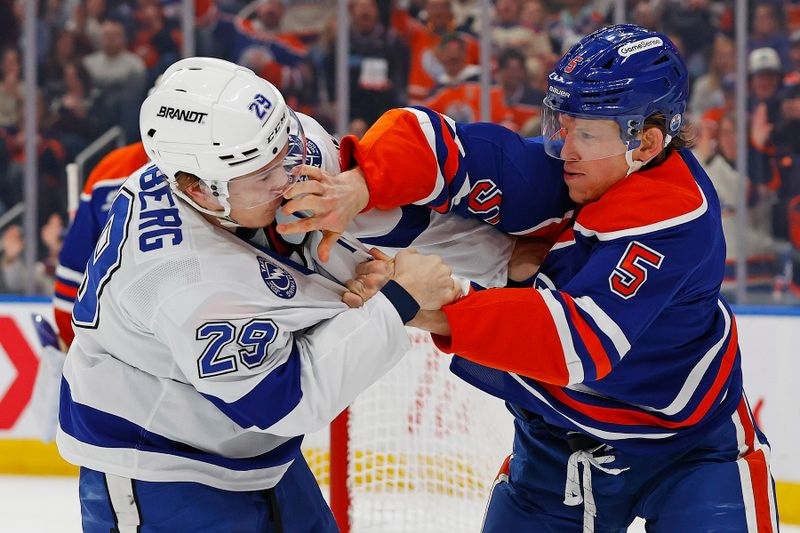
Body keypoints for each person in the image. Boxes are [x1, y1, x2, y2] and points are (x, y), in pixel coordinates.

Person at [279, 25, 779, 532]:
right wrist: (359, 185)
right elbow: (443, 146)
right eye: (561, 124)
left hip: (688, 452)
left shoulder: (677, 215)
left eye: (586, 132)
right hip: (555, 448)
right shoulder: (574, 168)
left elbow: (577, 344)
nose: (563, 148)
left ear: (645, 142)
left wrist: (424, 304)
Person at [56, 57, 460, 532]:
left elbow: (350, 220)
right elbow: (284, 399)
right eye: (263, 176)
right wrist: (396, 301)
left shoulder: (245, 157)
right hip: (162, 471)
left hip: (257, 456)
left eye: (285, 153)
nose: (287, 178)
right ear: (201, 192)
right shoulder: (183, 280)